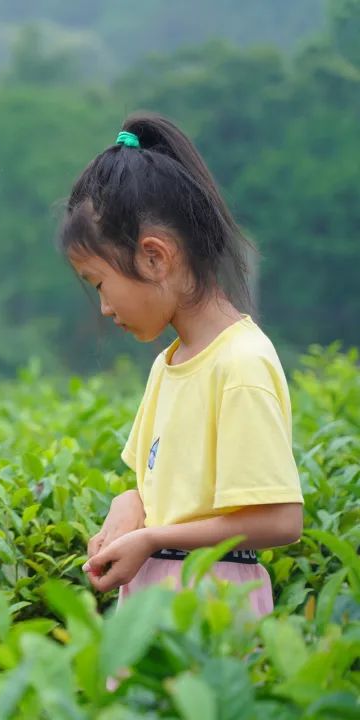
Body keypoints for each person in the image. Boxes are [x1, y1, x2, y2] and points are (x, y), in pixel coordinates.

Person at [59, 112, 304, 614]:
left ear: (154, 257)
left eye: (100, 284)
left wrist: (154, 539)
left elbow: (280, 519)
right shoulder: (170, 364)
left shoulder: (241, 364)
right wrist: (131, 506)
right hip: (157, 597)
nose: (104, 308)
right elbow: (168, 491)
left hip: (212, 602)